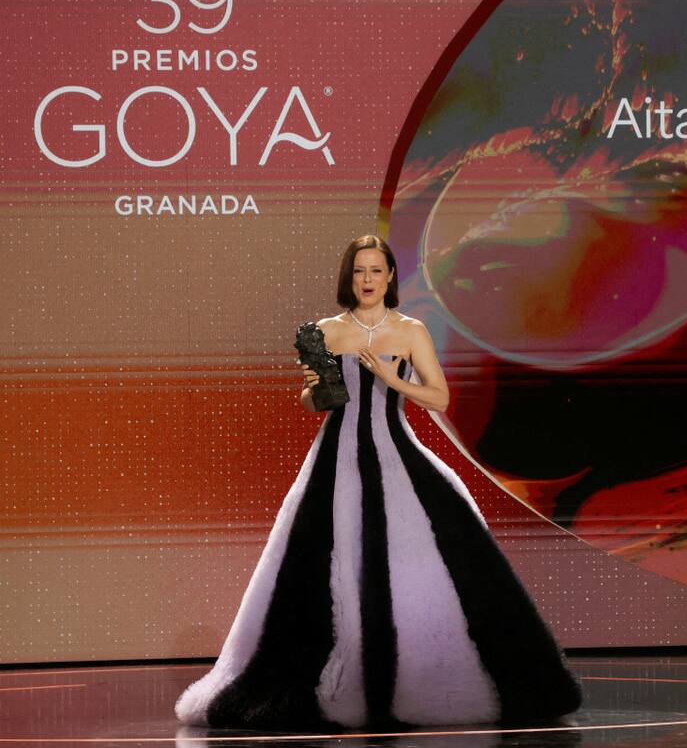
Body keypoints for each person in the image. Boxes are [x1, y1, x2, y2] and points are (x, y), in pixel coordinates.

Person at [174, 234, 583, 730]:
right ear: (349, 278)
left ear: (390, 277)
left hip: (396, 451)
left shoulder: (411, 331)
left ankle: (418, 675)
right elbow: (311, 402)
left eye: (375, 271)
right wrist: (318, 390)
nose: (367, 281)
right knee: (318, 566)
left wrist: (390, 380)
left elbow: (439, 398)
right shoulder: (324, 331)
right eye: (359, 272)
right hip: (333, 459)